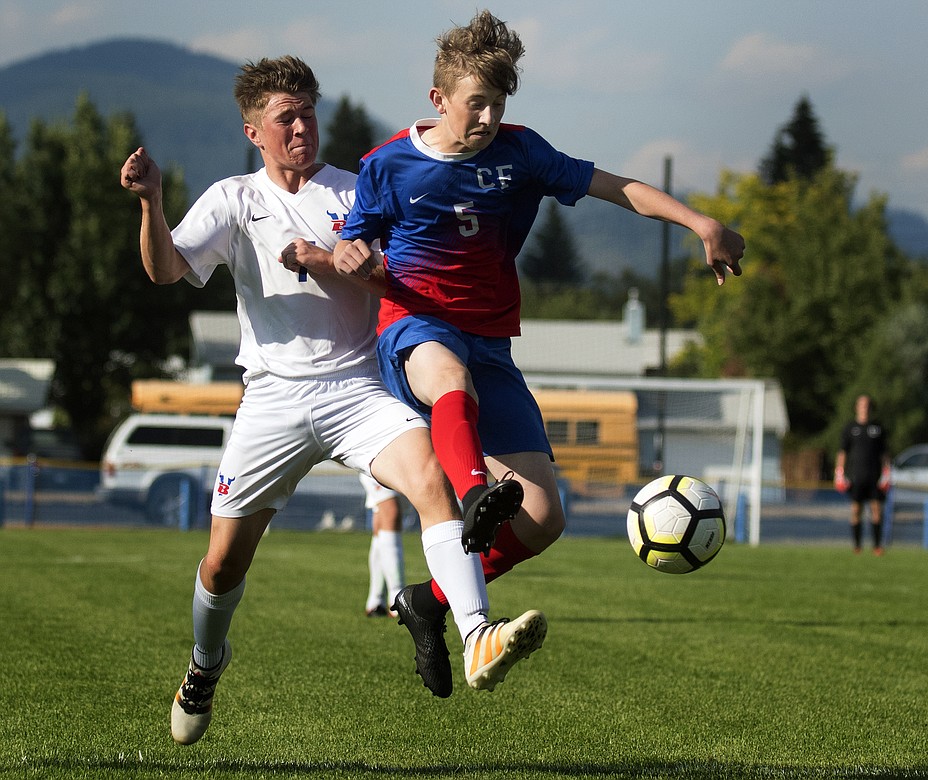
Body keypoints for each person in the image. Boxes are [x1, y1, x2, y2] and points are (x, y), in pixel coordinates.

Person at [120, 55, 545, 743]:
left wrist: (359, 265)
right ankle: (205, 663)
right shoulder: (233, 199)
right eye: (286, 117)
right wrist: (151, 201)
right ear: (253, 130)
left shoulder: (359, 190)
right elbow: (166, 268)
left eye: (308, 113)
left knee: (434, 482)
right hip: (273, 398)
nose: (301, 128)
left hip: (357, 388)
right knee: (224, 562)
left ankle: (477, 635)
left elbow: (403, 283)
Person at [333, 9, 745, 697]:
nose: (489, 116)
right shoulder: (387, 164)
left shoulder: (521, 154)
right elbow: (356, 239)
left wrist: (701, 221)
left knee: (545, 518)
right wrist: (349, 252)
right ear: (438, 100)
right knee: (450, 378)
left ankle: (429, 601)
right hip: (415, 329)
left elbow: (616, 187)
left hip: (492, 346)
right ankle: (471, 496)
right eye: (475, 103)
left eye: (498, 103)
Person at [834, 394, 891, 555]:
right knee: (856, 510)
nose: (864, 408)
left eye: (867, 405)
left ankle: (877, 546)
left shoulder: (878, 428)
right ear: (856, 407)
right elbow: (842, 452)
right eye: (861, 405)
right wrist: (839, 472)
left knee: (876, 510)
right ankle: (857, 546)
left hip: (874, 476)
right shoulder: (850, 428)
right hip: (855, 476)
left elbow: (884, 454)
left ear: (870, 407)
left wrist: (887, 473)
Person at [360, 472, 407, 618]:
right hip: (379, 458)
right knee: (390, 511)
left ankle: (376, 601)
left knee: (381, 521)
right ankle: (397, 599)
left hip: (395, 461)